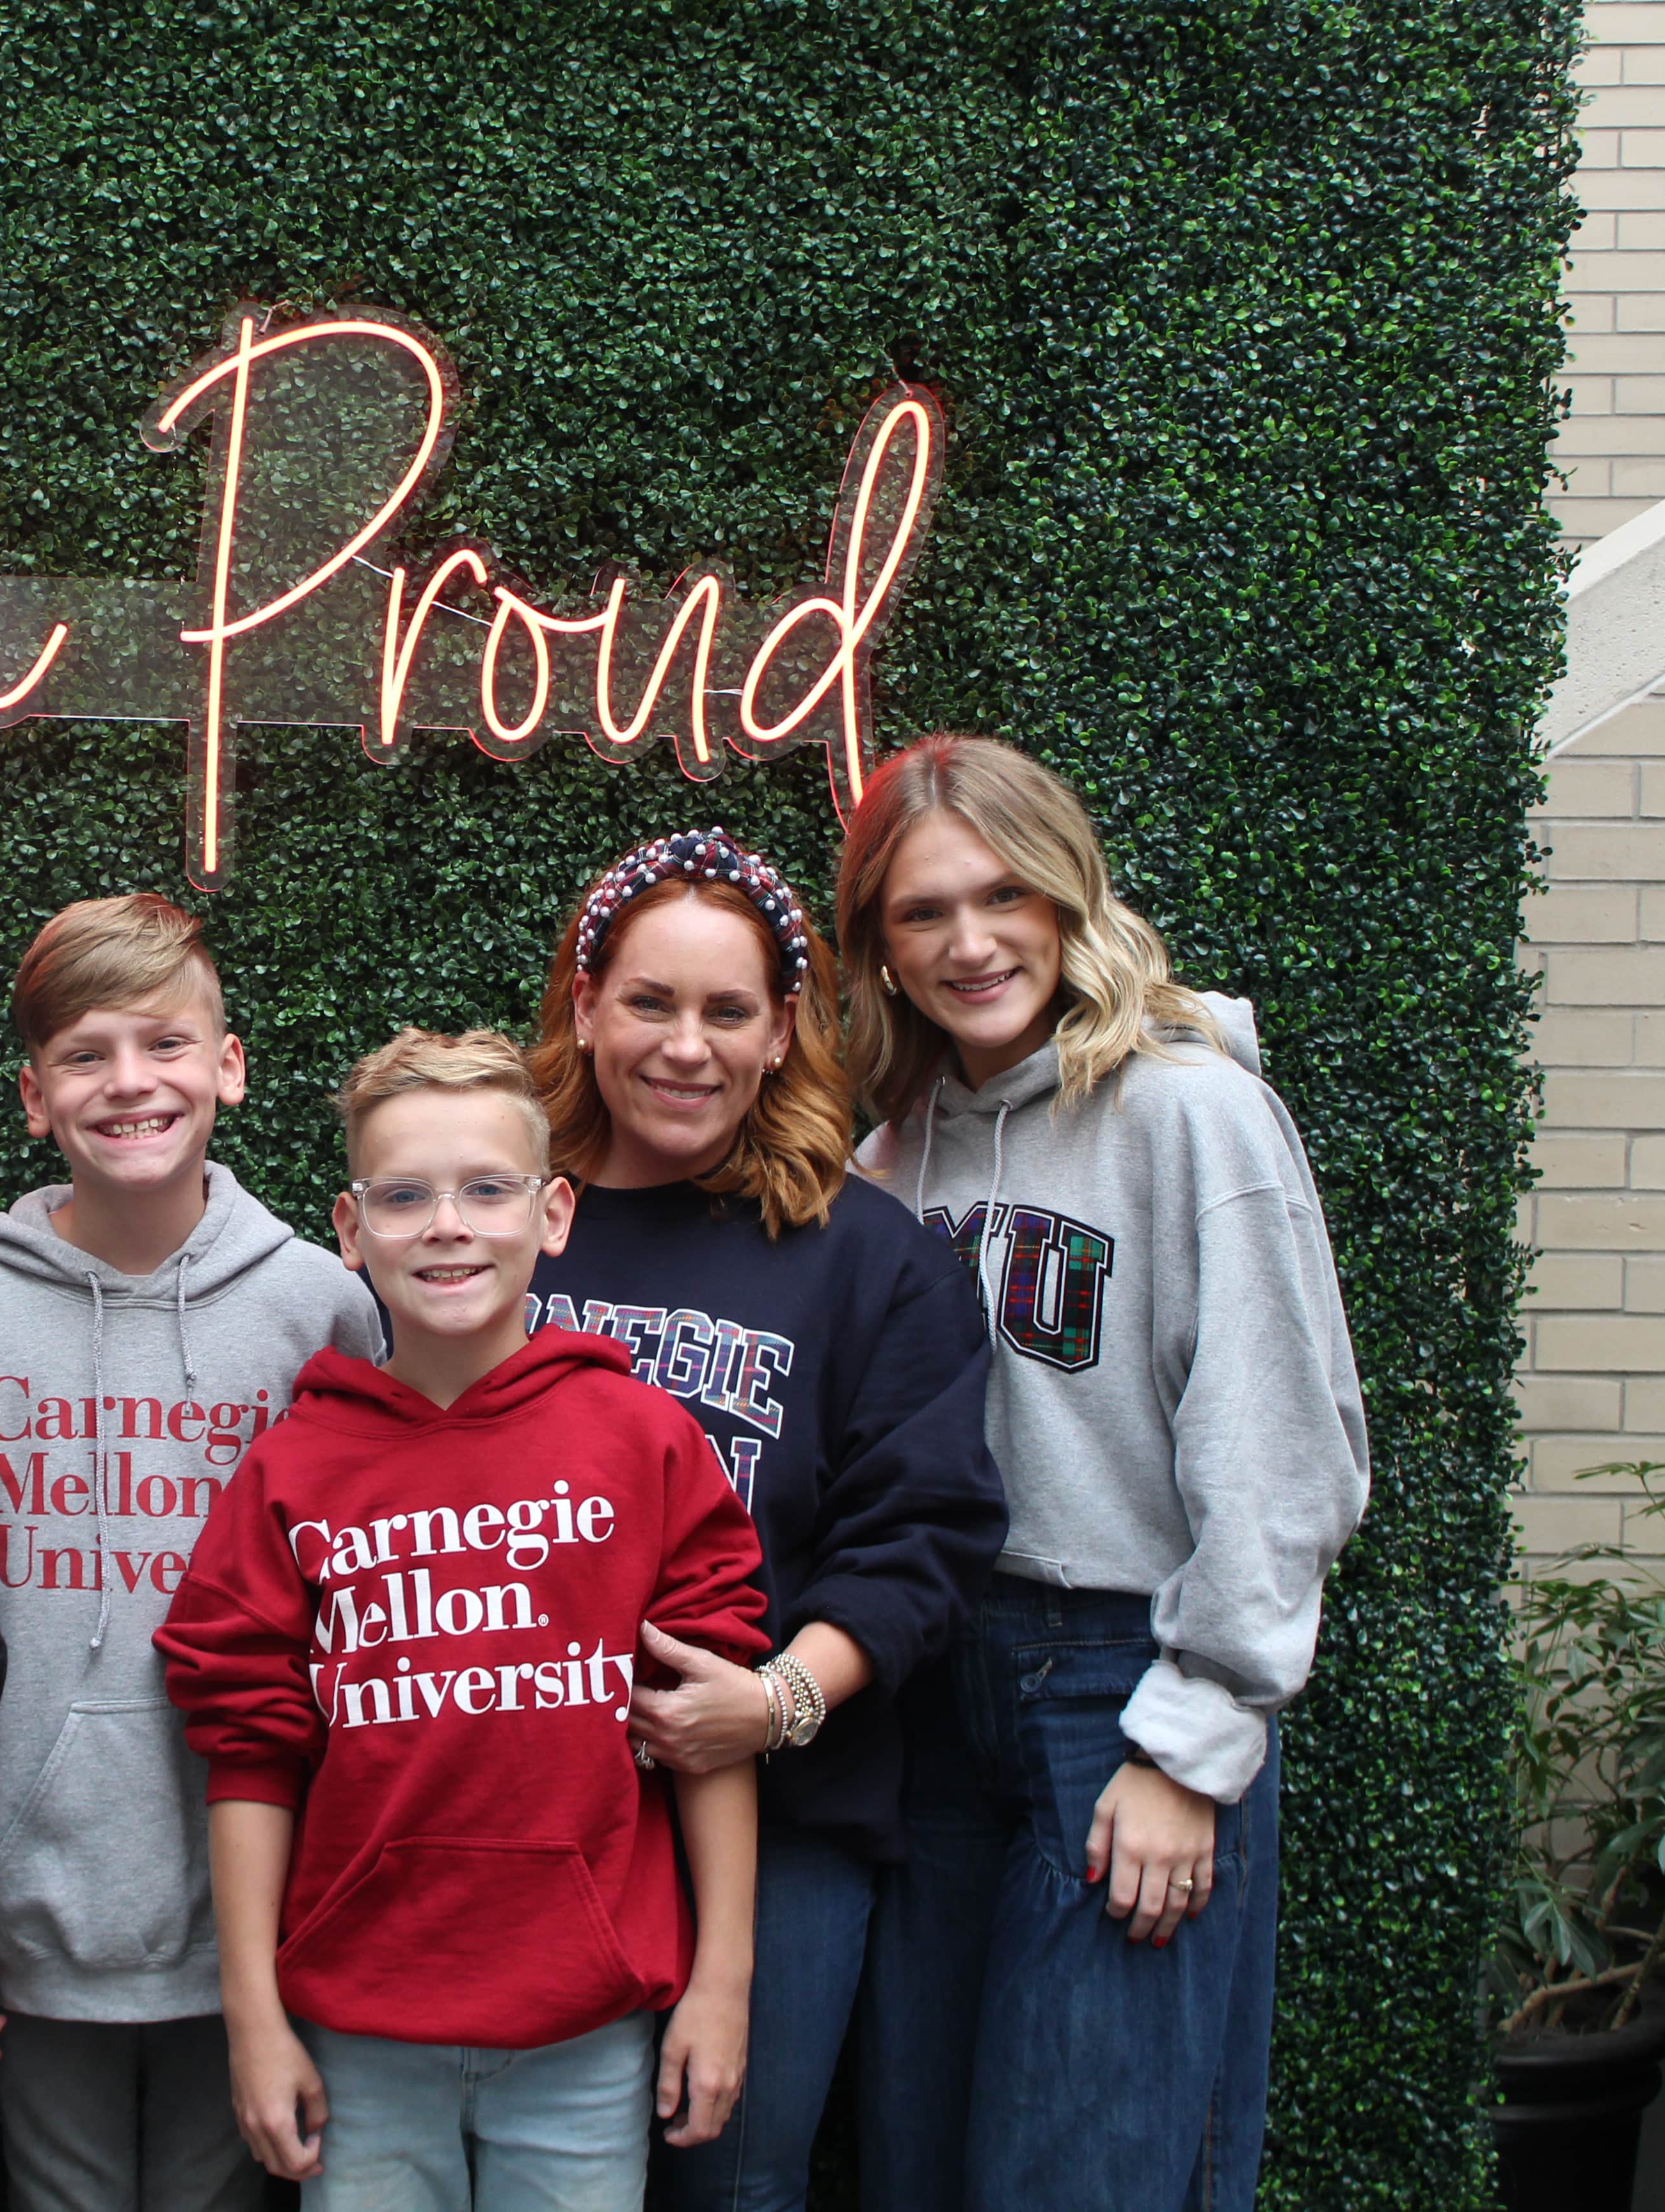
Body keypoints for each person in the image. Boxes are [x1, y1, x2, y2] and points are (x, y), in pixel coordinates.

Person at [834, 734, 1367, 2212]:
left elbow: (1282, 1446)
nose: (969, 941)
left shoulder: (1190, 1112)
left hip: (1120, 1683)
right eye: (921, 913)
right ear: (877, 945)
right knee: (921, 2163)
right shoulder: (893, 1155)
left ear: (1070, 895)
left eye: (1003, 895)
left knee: (1084, 2170)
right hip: (938, 1693)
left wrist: (1197, 1739)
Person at [157, 1027, 768, 2211]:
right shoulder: (293, 1469)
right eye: (406, 1196)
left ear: (552, 1214)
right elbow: (247, 1751)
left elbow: (710, 1718)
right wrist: (253, 2019)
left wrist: (723, 1984)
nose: (448, 1225)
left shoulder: (643, 1442)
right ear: (349, 1230)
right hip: (358, 2035)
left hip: (588, 2033)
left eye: (488, 1190)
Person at [518, 828, 1005, 2211]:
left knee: (730, 2186)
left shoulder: (872, 1260)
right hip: (522, 1809)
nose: (688, 1048)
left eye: (729, 1011)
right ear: (586, 1001)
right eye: (651, 1003)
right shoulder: (501, 1215)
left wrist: (780, 1701)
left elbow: (927, 1538)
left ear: (785, 1028)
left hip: (788, 1821)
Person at [0, 893, 381, 2212]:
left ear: (227, 1066)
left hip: (258, 1896)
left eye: (166, 1044)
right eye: (87, 1054)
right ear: (33, 1095)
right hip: (33, 1900)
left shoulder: (319, 1308)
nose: (131, 1083)